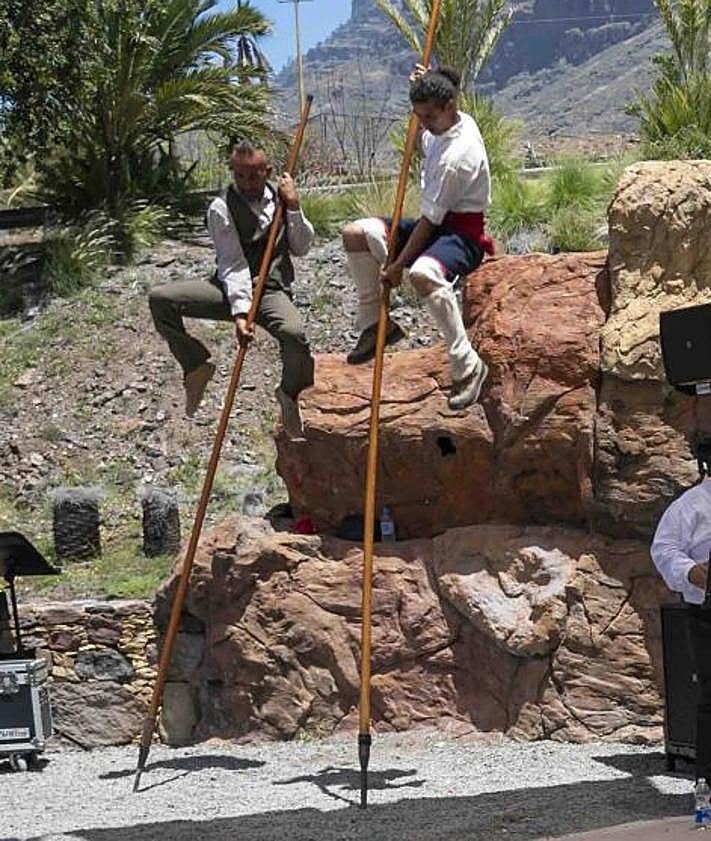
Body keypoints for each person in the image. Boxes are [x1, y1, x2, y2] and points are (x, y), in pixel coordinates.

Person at [342, 64, 493, 410]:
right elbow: (446, 86)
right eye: (417, 115)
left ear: (449, 108)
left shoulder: (460, 154)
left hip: (461, 232)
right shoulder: (445, 121)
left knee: (422, 274)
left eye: (427, 116)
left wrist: (397, 265)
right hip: (435, 223)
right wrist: (425, 81)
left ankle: (467, 364)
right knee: (354, 234)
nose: (422, 122)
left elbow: (428, 222)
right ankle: (375, 325)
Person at [149, 140, 315, 439]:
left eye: (253, 175)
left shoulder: (282, 199)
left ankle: (290, 396)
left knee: (295, 336)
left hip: (271, 291)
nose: (246, 183)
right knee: (161, 299)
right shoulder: (221, 207)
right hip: (228, 289)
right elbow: (232, 264)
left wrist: (294, 206)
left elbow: (302, 247)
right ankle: (195, 364)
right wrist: (240, 313)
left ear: (268, 172)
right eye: (239, 175)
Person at [651, 435, 711, 791]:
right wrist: (692, 572)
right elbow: (665, 550)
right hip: (708, 612)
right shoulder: (690, 506)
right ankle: (708, 783)